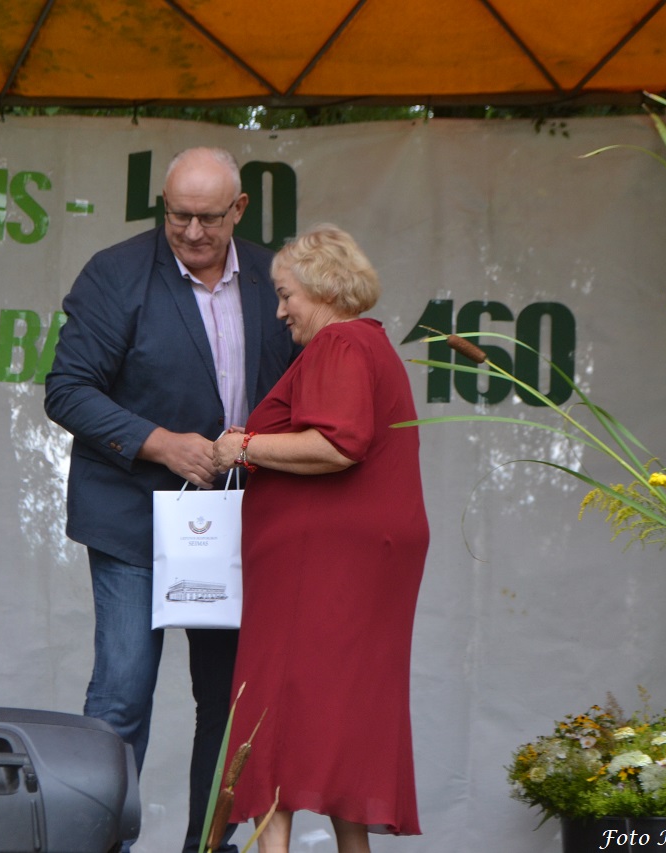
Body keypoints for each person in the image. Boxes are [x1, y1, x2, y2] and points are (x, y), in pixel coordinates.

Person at [44, 146, 298, 853]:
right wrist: (160, 443)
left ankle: (209, 846)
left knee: (230, 701)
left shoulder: (275, 280)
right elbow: (67, 390)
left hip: (237, 524)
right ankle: (101, 846)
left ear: (239, 209)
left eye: (208, 218)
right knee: (122, 694)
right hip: (133, 520)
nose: (190, 232)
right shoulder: (115, 273)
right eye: (178, 215)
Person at [210, 225, 429, 853]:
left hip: (320, 569)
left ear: (324, 287)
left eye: (286, 295)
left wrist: (242, 446)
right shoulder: (369, 344)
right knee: (340, 721)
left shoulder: (340, 342)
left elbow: (338, 444)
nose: (280, 311)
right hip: (348, 563)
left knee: (271, 716)